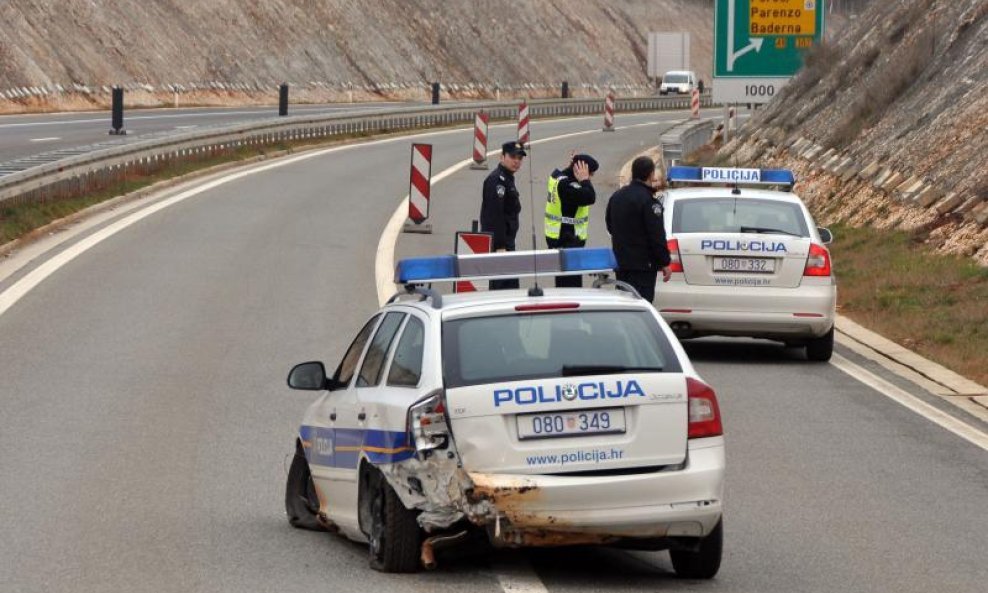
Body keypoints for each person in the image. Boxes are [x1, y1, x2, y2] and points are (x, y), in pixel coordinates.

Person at [605, 156, 672, 302]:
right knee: (640, 306)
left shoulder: (616, 196)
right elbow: (657, 235)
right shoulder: (649, 201)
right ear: (651, 174)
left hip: (621, 264)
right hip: (643, 267)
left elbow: (610, 226)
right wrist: (665, 262)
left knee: (624, 305)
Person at [544, 153, 598, 287]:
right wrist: (585, 180)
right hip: (567, 238)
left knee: (565, 283)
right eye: (590, 173)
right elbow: (590, 197)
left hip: (560, 237)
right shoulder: (567, 185)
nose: (590, 177)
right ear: (580, 170)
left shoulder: (558, 177)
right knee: (570, 286)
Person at [481, 141, 526, 290]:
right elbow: (494, 216)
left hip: (508, 244)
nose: (517, 161)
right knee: (502, 291)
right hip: (500, 247)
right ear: (502, 157)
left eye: (520, 158)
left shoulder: (507, 179)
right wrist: (499, 246)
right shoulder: (496, 181)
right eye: (513, 157)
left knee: (511, 289)